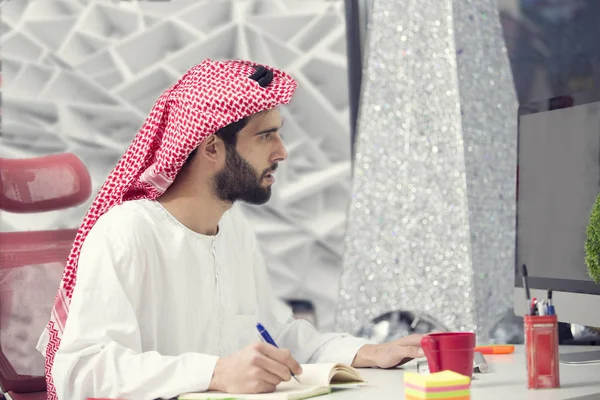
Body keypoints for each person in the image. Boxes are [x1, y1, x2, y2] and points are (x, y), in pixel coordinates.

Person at [37, 59, 425, 400]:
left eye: (278, 133)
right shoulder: (127, 232)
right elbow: (80, 372)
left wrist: (368, 352)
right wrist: (216, 373)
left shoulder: (234, 228)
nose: (282, 152)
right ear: (211, 148)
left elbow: (276, 334)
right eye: (265, 135)